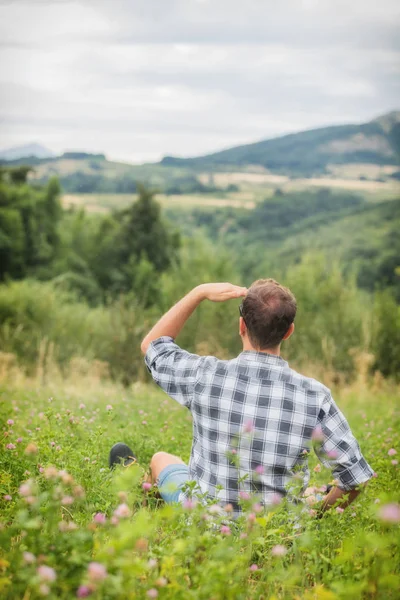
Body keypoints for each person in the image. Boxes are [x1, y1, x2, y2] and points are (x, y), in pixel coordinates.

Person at [109, 280, 373, 516]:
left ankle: (139, 494)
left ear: (241, 326)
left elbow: (152, 346)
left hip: (206, 525)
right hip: (275, 535)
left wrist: (198, 292)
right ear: (289, 331)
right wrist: (318, 513)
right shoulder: (315, 396)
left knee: (161, 459)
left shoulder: (204, 375)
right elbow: (356, 479)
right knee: (307, 492)